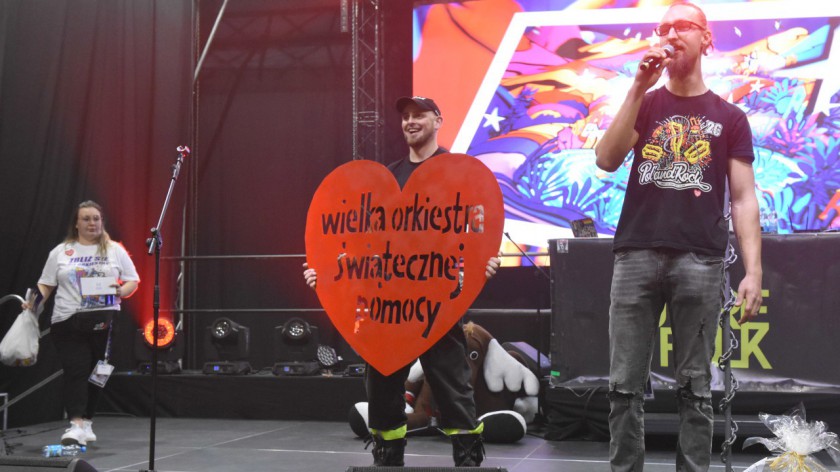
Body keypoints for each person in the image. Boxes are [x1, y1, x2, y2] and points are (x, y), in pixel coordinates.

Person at [594, 3, 763, 471]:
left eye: (683, 26)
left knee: (694, 385)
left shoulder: (729, 117)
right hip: (636, 255)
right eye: (664, 27)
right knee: (623, 385)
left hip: (701, 259)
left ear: (706, 39)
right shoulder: (644, 102)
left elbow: (744, 199)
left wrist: (754, 271)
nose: (671, 34)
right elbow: (606, 160)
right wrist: (636, 85)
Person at [303, 96, 501, 467]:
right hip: (387, 305)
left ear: (438, 120)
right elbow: (365, 241)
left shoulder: (459, 172)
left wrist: (482, 265)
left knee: (453, 387)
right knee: (381, 388)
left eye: (419, 115)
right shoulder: (389, 176)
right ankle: (388, 457)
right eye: (406, 117)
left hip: (439, 302)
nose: (410, 122)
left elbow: (476, 230)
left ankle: (469, 460)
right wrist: (328, 271)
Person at [24, 200, 140, 446]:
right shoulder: (61, 251)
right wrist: (33, 303)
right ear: (76, 224)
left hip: (104, 319)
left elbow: (132, 281)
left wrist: (118, 291)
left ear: (102, 222)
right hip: (68, 320)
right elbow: (46, 284)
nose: (92, 223)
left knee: (98, 372)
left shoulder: (115, 249)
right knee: (76, 369)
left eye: (96, 218)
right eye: (86, 218)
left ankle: (87, 421)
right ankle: (75, 424)